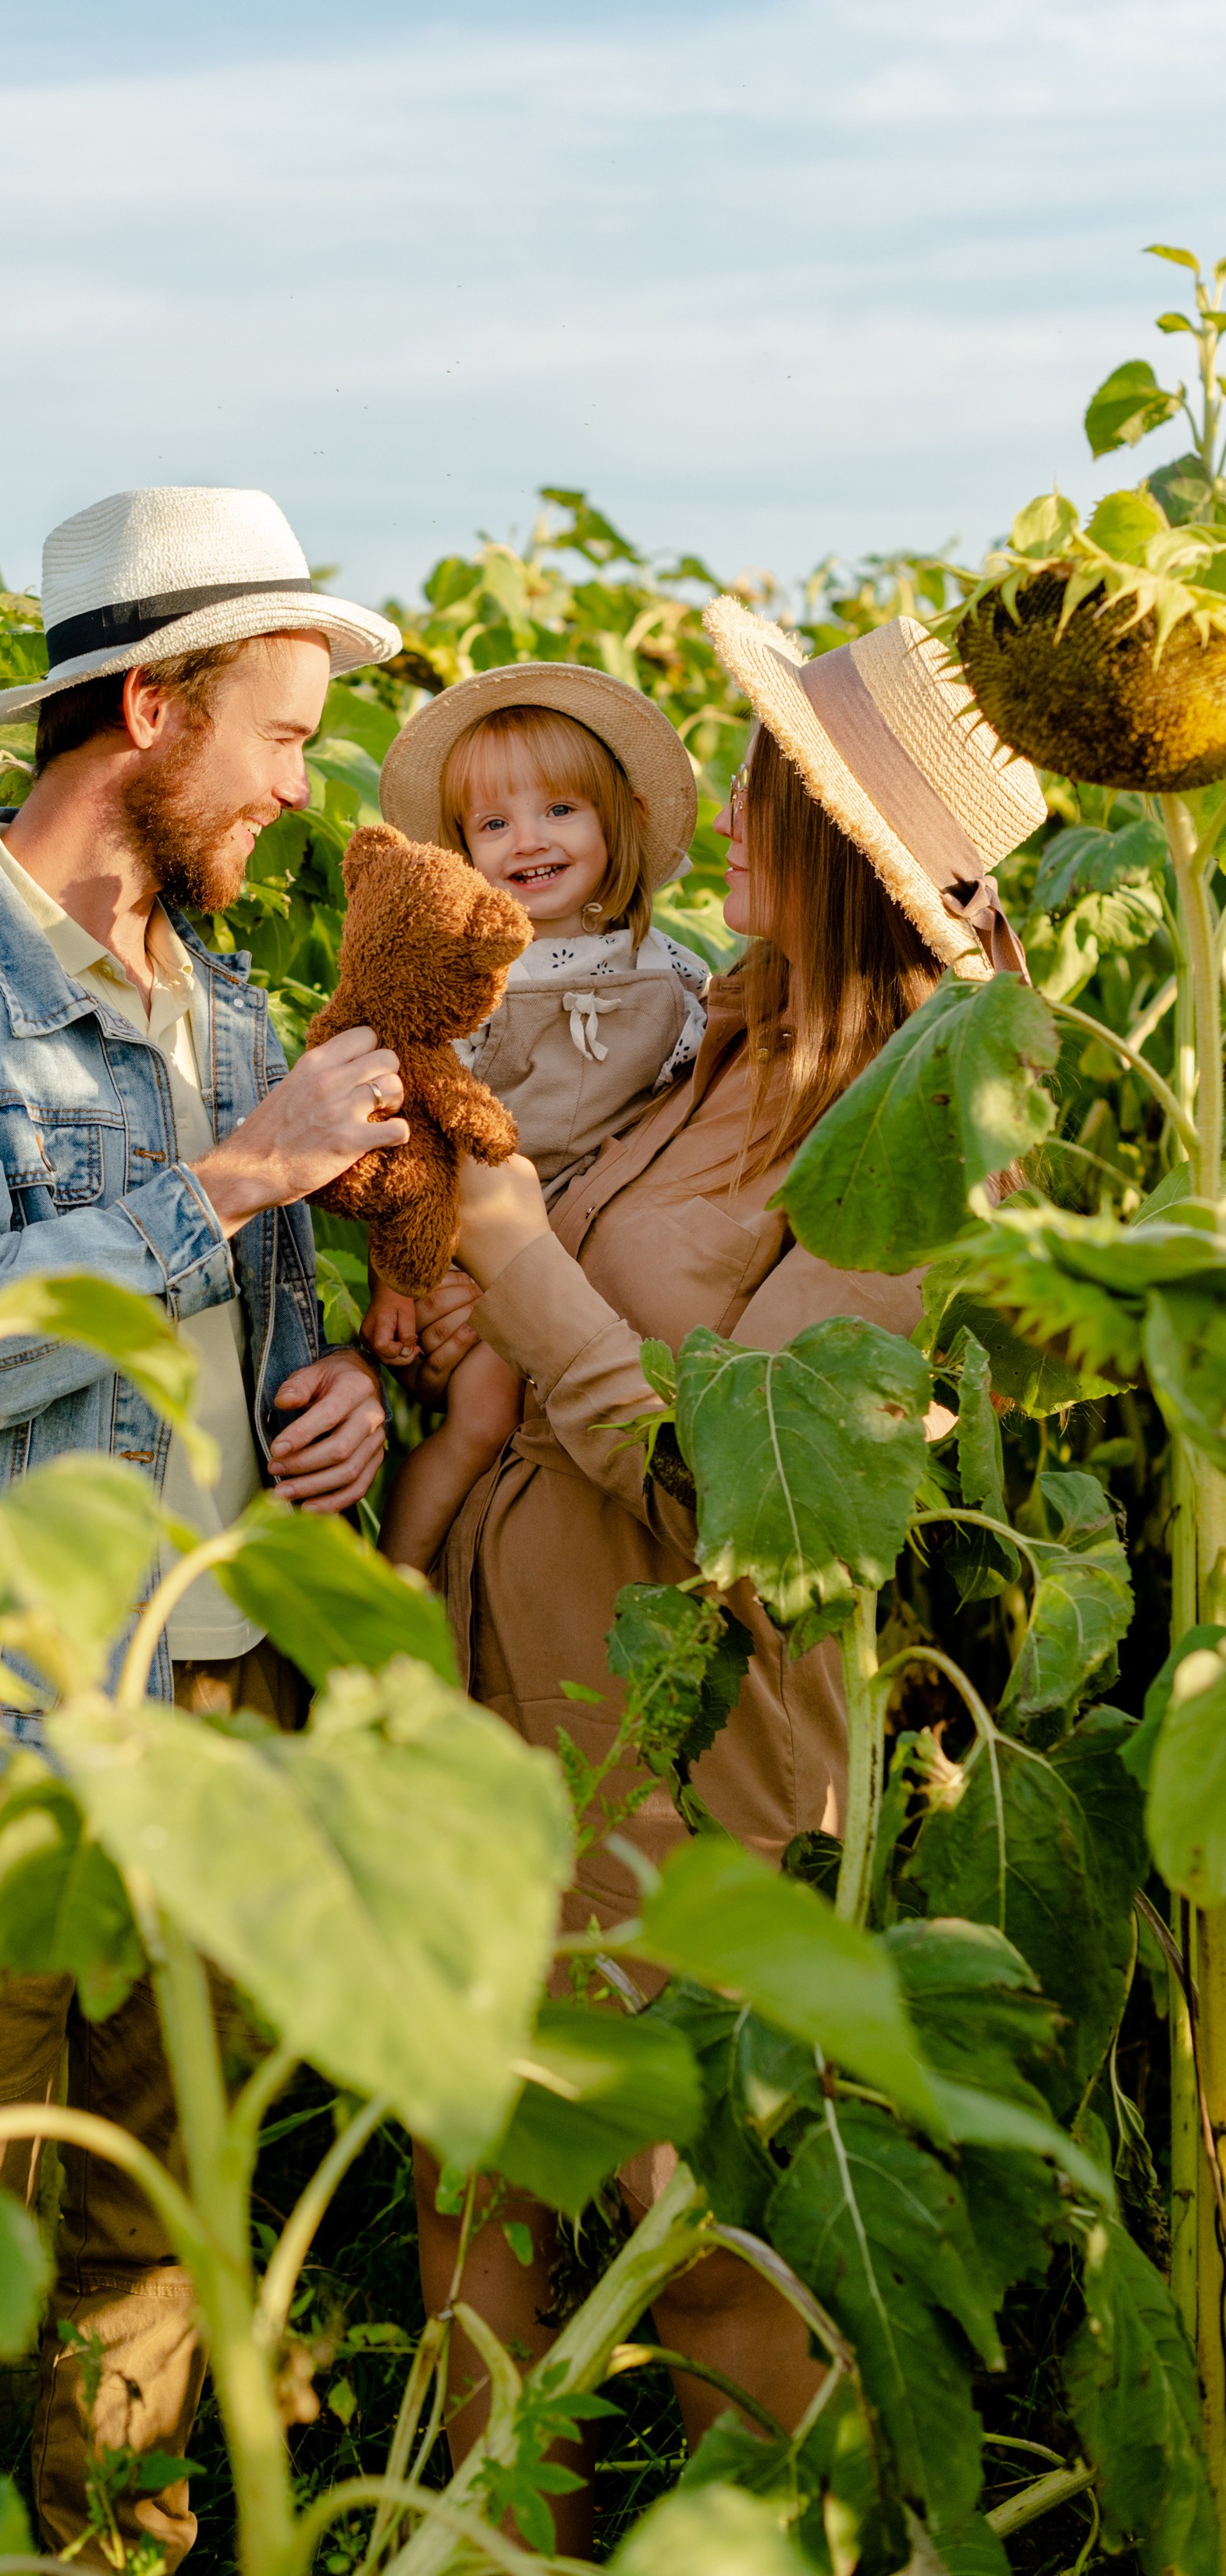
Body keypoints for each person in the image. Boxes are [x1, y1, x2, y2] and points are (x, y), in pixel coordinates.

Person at [0, 486, 410, 2568]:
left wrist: (337, 1396)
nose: (301, 796)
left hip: (208, 1697)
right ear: (151, 704)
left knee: (150, 2223)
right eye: (284, 740)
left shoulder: (216, 1006)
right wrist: (234, 1187)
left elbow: (236, 1334)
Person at [402, 601, 1047, 2544]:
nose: (732, 807)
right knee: (476, 2179)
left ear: (849, 852)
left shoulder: (925, 1136)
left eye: (774, 785)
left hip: (690, 1743)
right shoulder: (713, 1038)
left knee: (690, 2227)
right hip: (509, 1699)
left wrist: (510, 1246)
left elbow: (740, 1498)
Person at [357, 666, 708, 1575]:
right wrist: (406, 1275)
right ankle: (399, 1589)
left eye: (559, 809)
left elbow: (689, 1116)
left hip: (601, 1250)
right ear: (462, 851)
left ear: (617, 816)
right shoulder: (471, 980)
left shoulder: (674, 974)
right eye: (494, 824)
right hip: (487, 1244)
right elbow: (417, 1121)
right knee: (479, 1420)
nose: (528, 841)